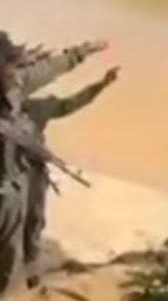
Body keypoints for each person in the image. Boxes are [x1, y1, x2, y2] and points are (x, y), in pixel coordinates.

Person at [0, 31, 105, 301]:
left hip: (14, 190)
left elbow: (51, 67)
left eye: (10, 63)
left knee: (8, 265)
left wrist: (84, 51)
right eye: (4, 63)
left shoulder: (17, 84)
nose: (10, 68)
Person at [21, 66, 120, 287]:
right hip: (0, 177)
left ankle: (30, 274)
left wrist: (100, 85)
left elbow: (69, 104)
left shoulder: (36, 107)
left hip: (31, 172)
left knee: (33, 222)